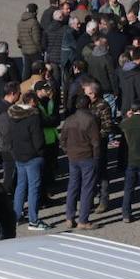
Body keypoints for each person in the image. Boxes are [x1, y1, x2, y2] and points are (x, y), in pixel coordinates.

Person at [6, 91, 51, 232]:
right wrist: (41, 152)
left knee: (21, 186)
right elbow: (38, 140)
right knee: (34, 189)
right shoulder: (33, 117)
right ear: (32, 101)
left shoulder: (13, 115)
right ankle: (33, 220)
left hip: (19, 155)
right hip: (33, 157)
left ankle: (16, 215)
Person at [62, 94, 102, 229]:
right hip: (87, 156)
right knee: (87, 188)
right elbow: (96, 142)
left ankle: (69, 217)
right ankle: (83, 220)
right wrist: (97, 158)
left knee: (72, 187)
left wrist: (67, 151)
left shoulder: (69, 120)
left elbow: (63, 140)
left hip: (73, 157)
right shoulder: (91, 120)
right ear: (89, 104)